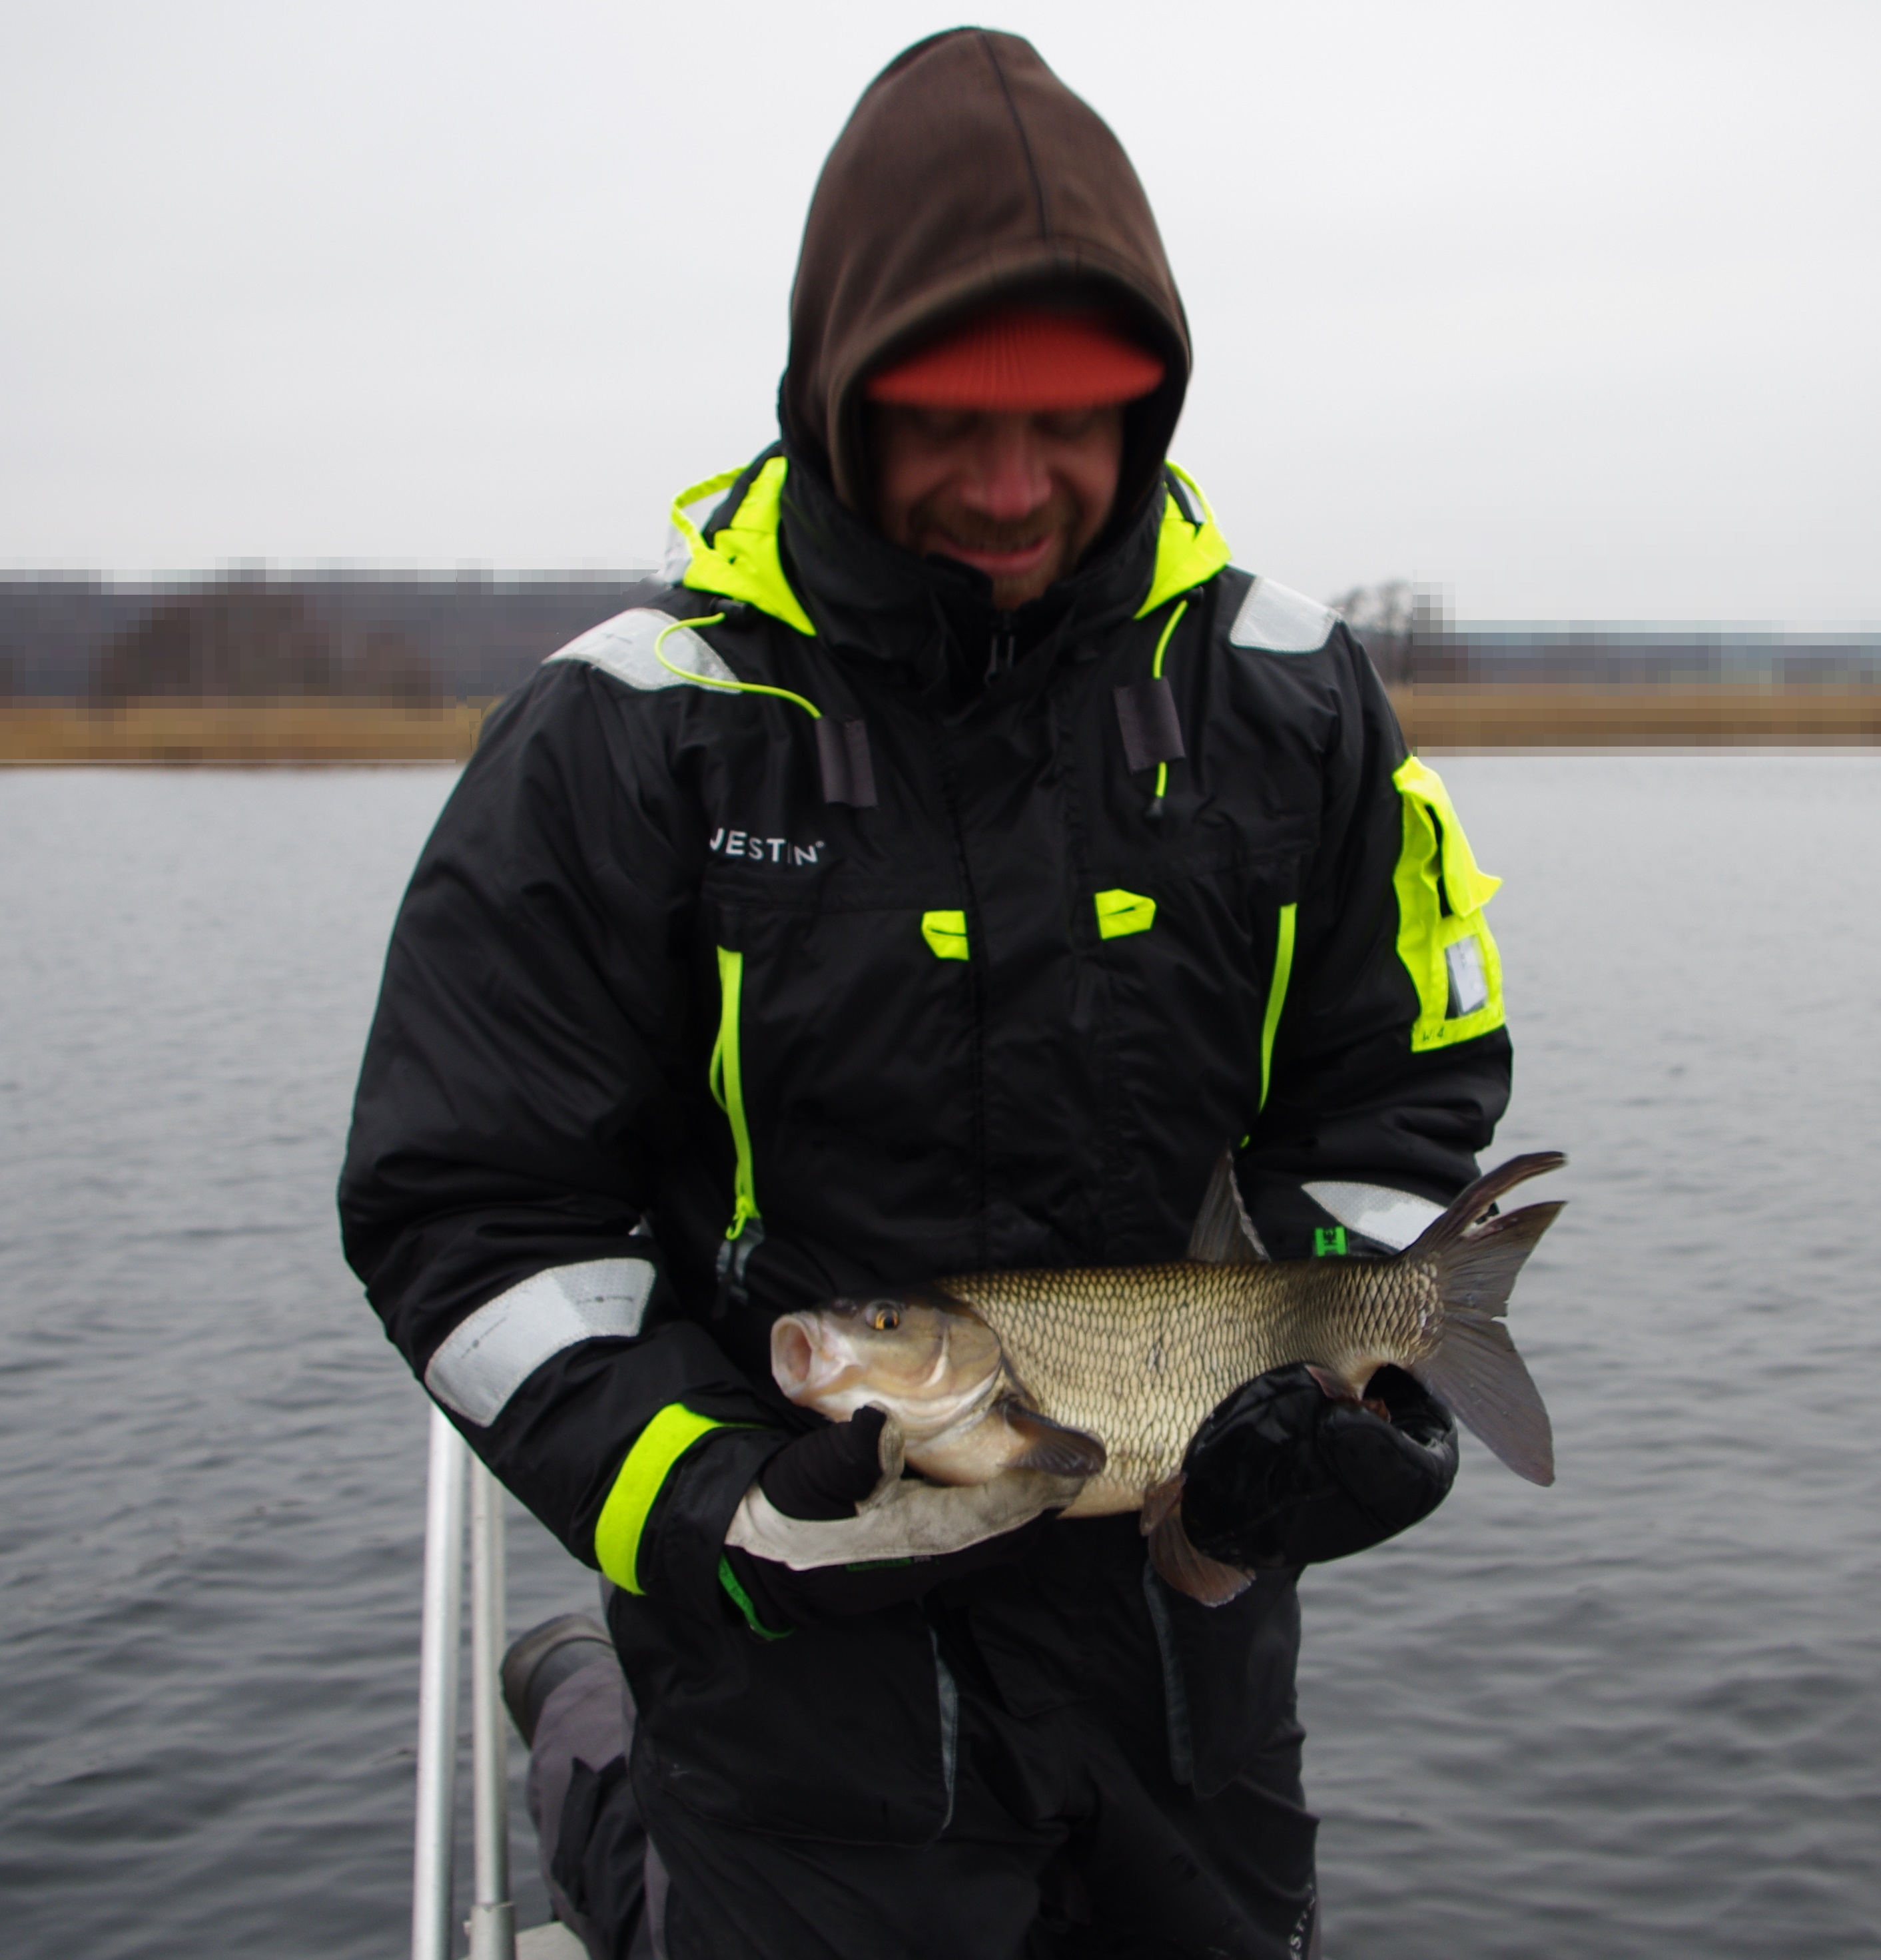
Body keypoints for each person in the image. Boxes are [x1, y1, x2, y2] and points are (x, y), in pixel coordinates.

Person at [340, 28, 1512, 1960]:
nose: (1014, 483)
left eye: (1072, 420)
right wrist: (726, 1509)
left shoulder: (1295, 702)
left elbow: (1398, 1098)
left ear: (1150, 399)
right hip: (795, 1704)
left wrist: (1339, 1379)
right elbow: (470, 1214)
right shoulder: (624, 738)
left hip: (1186, 1681)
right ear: (837, 398)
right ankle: (592, 1739)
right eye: (951, 421)